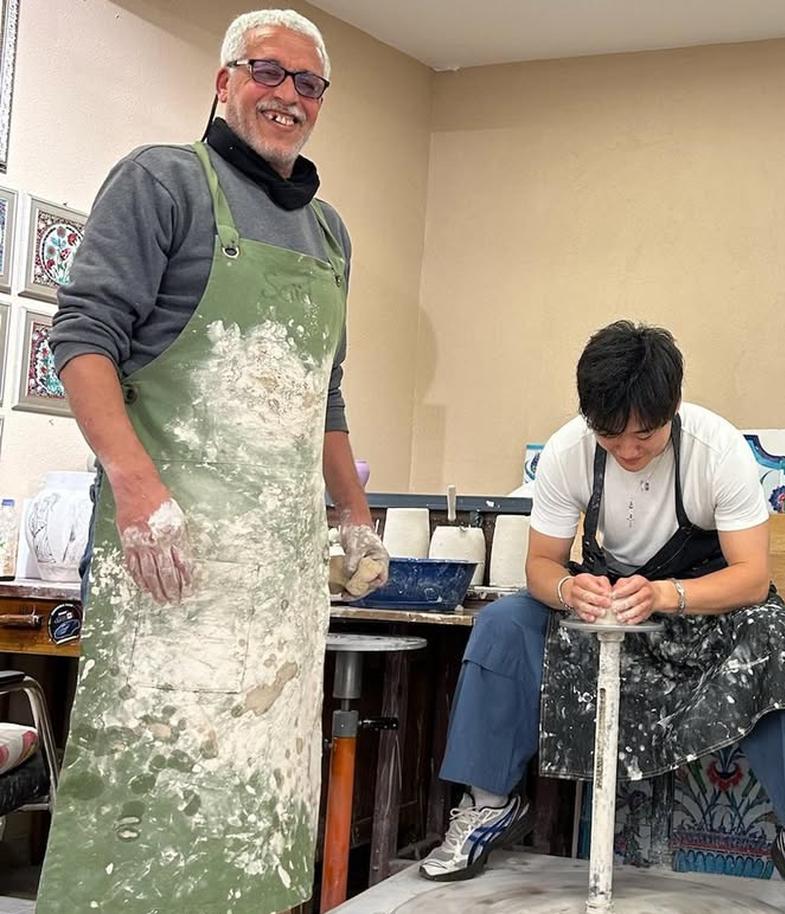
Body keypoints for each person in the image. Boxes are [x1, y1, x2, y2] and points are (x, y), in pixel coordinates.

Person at [39, 9, 388, 913]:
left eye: (308, 84)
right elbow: (80, 341)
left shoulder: (331, 234)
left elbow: (324, 394)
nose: (288, 97)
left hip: (278, 582)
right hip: (175, 567)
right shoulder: (162, 182)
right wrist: (140, 487)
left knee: (260, 804)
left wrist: (353, 514)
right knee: (154, 795)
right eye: (268, 73)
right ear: (224, 79)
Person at [419, 321, 785, 914]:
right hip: (608, 613)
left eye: (644, 435)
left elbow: (750, 577)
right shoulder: (569, 451)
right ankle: (488, 802)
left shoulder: (716, 451)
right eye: (610, 436)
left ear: (672, 409)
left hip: (702, 612)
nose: (628, 450)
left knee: (779, 636)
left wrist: (668, 595)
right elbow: (539, 563)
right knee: (503, 624)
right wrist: (570, 589)